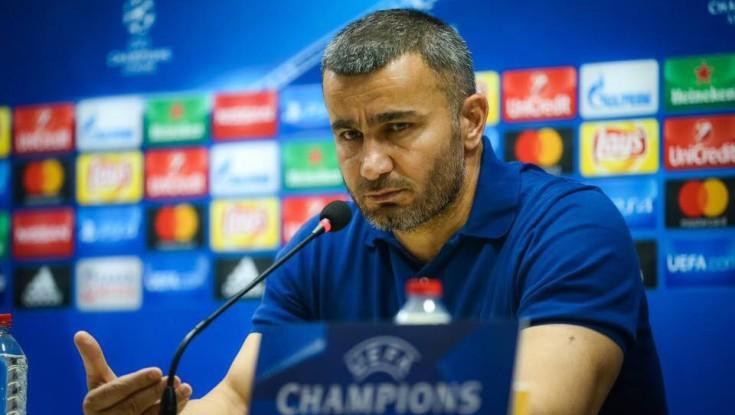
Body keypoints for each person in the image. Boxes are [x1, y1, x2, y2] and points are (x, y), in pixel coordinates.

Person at [74, 9, 667, 415]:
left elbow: (541, 406)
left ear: (470, 121)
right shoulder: (323, 243)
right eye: (349, 135)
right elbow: (237, 399)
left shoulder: (570, 228)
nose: (371, 165)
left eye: (397, 128)